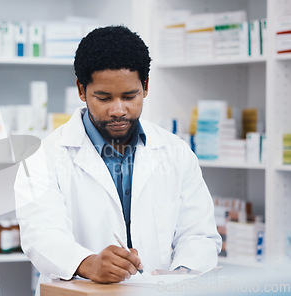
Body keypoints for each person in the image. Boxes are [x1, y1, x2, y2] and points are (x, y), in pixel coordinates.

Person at [14, 25, 221, 295]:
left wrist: (181, 274)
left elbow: (199, 234)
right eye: (104, 98)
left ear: (145, 87)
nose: (118, 110)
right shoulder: (43, 157)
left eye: (129, 96)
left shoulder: (176, 153)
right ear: (81, 89)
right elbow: (41, 236)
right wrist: (89, 264)